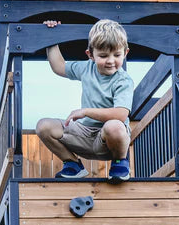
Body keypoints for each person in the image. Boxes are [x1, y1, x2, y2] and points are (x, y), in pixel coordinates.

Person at [36, 19, 134, 183]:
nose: (111, 61)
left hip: (109, 140)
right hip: (83, 134)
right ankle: (73, 164)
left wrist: (86, 111)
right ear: (90, 55)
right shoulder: (87, 68)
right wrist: (52, 36)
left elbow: (121, 114)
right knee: (43, 126)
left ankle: (119, 163)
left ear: (125, 53)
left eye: (117, 55)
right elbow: (59, 66)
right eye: (103, 56)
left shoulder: (123, 80)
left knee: (115, 126)